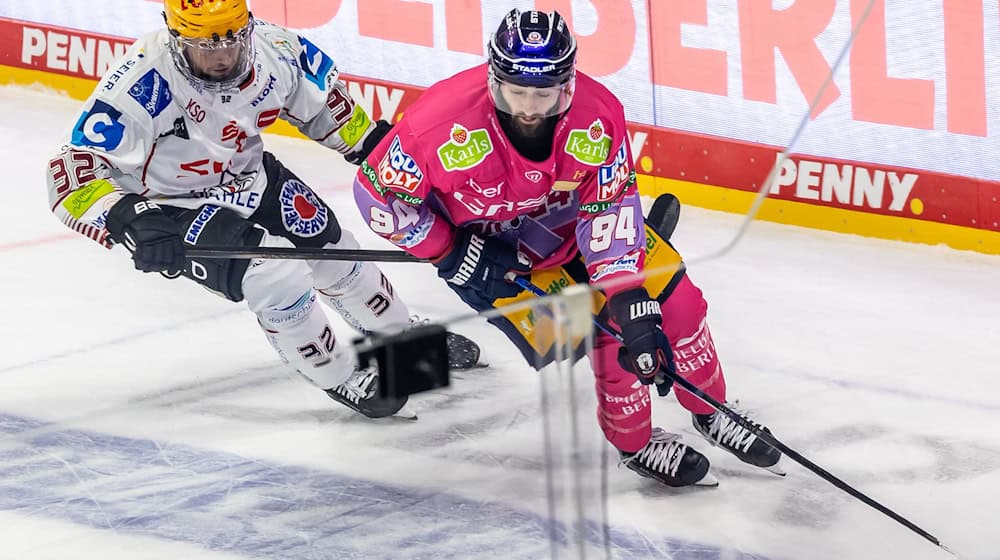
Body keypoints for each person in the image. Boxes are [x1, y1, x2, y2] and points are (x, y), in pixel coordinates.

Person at [352, 9, 783, 486]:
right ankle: (637, 445)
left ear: (568, 83)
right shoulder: (438, 125)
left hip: (573, 225)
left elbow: (610, 203)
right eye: (517, 91)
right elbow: (376, 196)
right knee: (604, 336)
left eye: (544, 92)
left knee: (678, 304)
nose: (530, 107)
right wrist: (450, 252)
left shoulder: (598, 115)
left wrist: (625, 291)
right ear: (494, 79)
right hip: (495, 262)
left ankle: (712, 410)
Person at [44, 0, 480, 420]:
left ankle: (398, 335)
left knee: (335, 253)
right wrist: (129, 220)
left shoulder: (278, 51)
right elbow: (69, 177)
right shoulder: (140, 84)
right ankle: (338, 374)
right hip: (171, 204)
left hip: (251, 178)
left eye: (232, 41)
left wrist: (383, 155)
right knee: (275, 275)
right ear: (176, 38)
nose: (222, 57)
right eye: (205, 46)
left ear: (248, 26)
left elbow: (332, 112)